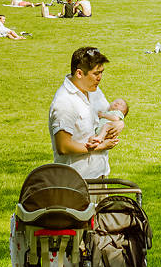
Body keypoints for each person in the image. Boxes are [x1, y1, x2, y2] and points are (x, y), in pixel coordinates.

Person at [49, 47, 129, 180]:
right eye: (96, 73)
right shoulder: (64, 102)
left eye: (102, 72)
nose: (100, 78)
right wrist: (101, 146)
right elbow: (63, 146)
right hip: (77, 181)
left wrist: (119, 123)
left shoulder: (94, 90)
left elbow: (108, 116)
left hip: (99, 175)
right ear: (79, 73)